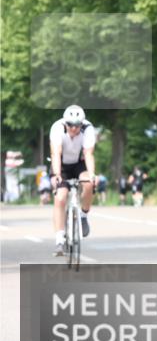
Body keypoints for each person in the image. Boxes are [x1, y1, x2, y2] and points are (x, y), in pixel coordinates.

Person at [49, 105, 97, 255]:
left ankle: (83, 215)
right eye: (70, 125)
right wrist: (57, 174)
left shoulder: (88, 129)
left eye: (77, 125)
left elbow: (88, 154)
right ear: (65, 123)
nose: (74, 129)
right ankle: (59, 240)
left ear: (81, 124)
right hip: (61, 164)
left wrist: (92, 174)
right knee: (61, 196)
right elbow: (56, 153)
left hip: (78, 163)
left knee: (89, 183)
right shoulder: (57, 128)